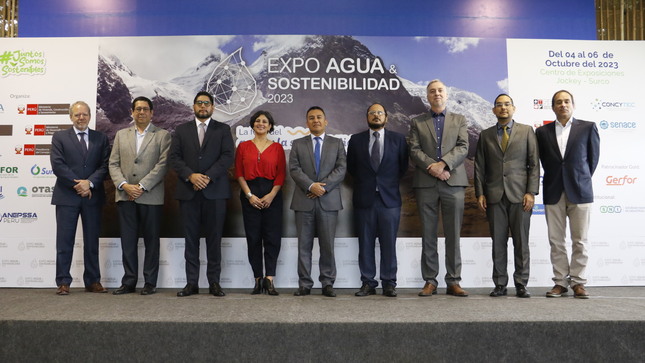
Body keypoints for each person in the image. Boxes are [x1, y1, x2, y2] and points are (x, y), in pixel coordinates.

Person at [170, 91, 235, 297]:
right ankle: (191, 283)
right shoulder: (181, 130)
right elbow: (174, 158)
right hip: (189, 192)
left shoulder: (223, 129)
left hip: (214, 192)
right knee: (191, 240)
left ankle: (214, 282)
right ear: (193, 107)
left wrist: (206, 177)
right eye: (199, 103)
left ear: (213, 107)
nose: (203, 106)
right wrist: (191, 176)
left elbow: (227, 157)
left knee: (214, 240)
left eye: (207, 103)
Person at [536, 90, 599, 299]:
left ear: (572, 104)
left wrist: (579, 178)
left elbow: (592, 160)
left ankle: (579, 283)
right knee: (556, 240)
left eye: (566, 101)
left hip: (580, 191)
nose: (563, 105)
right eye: (558, 102)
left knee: (580, 240)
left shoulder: (588, 128)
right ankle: (560, 283)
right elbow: (543, 161)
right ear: (553, 107)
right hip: (553, 190)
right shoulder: (542, 132)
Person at [408, 79, 469, 297]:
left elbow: (463, 146)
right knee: (428, 234)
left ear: (447, 94)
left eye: (440, 91)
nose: (436, 94)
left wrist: (443, 164)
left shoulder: (460, 119)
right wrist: (431, 167)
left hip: (453, 182)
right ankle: (430, 281)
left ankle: (453, 281)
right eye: (432, 91)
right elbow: (413, 149)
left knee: (453, 234)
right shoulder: (417, 122)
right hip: (426, 183)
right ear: (427, 96)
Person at [474, 94, 539, 298]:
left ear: (514, 108)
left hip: (520, 196)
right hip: (494, 196)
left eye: (507, 104)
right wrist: (480, 193)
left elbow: (534, 164)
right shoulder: (485, 135)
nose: (503, 108)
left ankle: (521, 283)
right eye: (499, 105)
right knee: (498, 242)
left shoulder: (527, 131)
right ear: (493, 110)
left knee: (521, 242)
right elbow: (479, 167)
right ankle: (500, 283)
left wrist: (531, 191)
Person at [109, 96, 171, 296]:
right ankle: (129, 282)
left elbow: (162, 165)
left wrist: (142, 186)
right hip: (125, 195)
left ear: (152, 113)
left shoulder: (162, 135)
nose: (141, 112)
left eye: (145, 109)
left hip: (150, 196)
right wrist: (125, 185)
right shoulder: (121, 135)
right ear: (132, 112)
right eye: (138, 109)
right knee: (128, 241)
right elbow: (113, 163)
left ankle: (150, 282)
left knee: (152, 241)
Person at [347, 103, 408, 297]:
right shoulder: (355, 140)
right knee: (365, 242)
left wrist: (384, 183)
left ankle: (389, 283)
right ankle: (368, 282)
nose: (376, 115)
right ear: (367, 117)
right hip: (364, 199)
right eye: (372, 113)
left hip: (389, 200)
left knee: (389, 242)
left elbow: (403, 167)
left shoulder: (398, 140)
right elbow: (352, 168)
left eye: (379, 113)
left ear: (386, 117)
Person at [50, 101, 110, 295]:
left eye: (84, 114)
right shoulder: (59, 137)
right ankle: (63, 282)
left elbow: (105, 165)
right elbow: (58, 165)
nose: (81, 118)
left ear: (90, 116)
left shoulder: (100, 138)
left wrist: (89, 183)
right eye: (77, 115)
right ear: (71, 117)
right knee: (64, 242)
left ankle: (93, 281)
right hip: (67, 196)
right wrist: (79, 184)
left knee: (92, 241)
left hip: (92, 196)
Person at [289, 106, 346, 297]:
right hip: (304, 201)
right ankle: (305, 284)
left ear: (326, 121)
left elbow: (341, 168)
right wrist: (310, 186)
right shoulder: (297, 144)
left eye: (319, 117)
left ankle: (327, 283)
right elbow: (295, 169)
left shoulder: (337, 143)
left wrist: (322, 187)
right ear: (307, 123)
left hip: (328, 202)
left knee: (327, 245)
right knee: (304, 245)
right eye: (311, 118)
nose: (315, 120)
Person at [235, 111, 286, 295]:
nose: (261, 124)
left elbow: (281, 175)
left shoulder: (277, 148)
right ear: (252, 125)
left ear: (270, 125)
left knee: (272, 237)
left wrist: (272, 194)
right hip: (250, 194)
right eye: (257, 121)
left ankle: (269, 279)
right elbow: (239, 173)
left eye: (265, 121)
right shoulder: (243, 146)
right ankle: (257, 279)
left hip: (272, 193)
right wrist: (249, 195)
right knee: (254, 237)